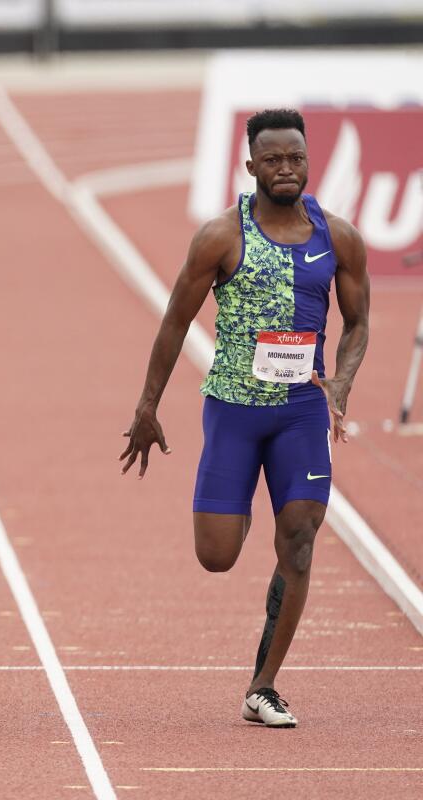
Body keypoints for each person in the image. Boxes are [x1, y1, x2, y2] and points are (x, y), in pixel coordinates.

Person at [120, 109, 369, 727]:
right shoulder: (220, 237)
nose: (287, 169)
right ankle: (247, 502)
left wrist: (341, 379)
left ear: (309, 163)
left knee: (301, 540)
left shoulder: (337, 237)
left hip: (302, 412)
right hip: (233, 410)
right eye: (274, 159)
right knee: (217, 554)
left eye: (297, 159)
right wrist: (147, 406)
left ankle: (263, 685)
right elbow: (175, 321)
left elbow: (359, 321)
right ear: (251, 163)